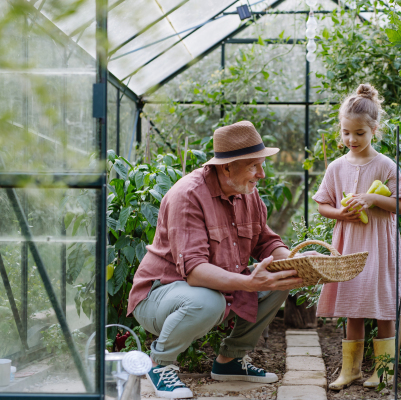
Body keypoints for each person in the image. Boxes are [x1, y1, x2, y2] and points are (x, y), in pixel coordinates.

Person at [127, 121, 319, 398]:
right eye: (254, 166)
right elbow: (194, 271)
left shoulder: (247, 195)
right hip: (161, 294)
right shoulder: (188, 196)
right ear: (227, 166)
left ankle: (230, 361)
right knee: (207, 301)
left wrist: (296, 260)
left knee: (281, 279)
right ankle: (159, 364)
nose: (262, 174)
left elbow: (266, 242)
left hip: (215, 289)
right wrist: (248, 283)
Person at [312, 84, 401, 390]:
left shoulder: (385, 165)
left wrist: (371, 199)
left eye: (359, 133)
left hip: (379, 246)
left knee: (382, 305)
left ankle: (385, 372)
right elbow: (322, 205)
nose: (351, 139)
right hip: (350, 244)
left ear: (374, 130)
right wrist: (341, 214)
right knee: (353, 304)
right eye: (345, 133)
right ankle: (350, 370)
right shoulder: (336, 167)